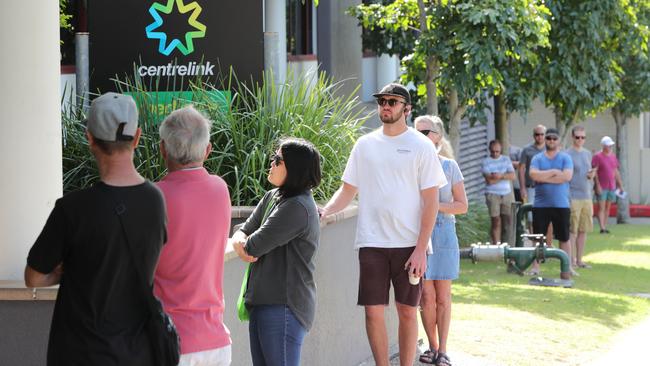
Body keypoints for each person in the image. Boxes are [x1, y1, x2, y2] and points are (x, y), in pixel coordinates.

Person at [24, 92, 167, 365]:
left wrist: (70, 270)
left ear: (89, 138)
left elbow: (34, 277)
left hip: (79, 353)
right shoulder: (155, 201)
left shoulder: (72, 208)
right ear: (137, 137)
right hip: (137, 353)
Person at [320, 83, 447, 366]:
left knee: (406, 311)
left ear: (407, 108)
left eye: (392, 101)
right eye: (381, 101)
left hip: (409, 246)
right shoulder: (364, 145)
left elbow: (431, 202)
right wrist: (324, 211)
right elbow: (347, 190)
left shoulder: (421, 146)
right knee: (373, 313)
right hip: (372, 243)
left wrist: (420, 248)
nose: (385, 106)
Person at [230, 138, 322, 366]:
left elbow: (252, 246)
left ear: (295, 169)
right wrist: (241, 242)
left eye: (278, 160)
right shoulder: (274, 197)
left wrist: (244, 244)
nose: (271, 163)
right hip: (265, 304)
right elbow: (240, 231)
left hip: (283, 308)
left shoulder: (297, 208)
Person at [154, 106, 232, 365]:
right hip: (216, 341)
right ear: (208, 150)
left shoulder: (154, 197)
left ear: (163, 149)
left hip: (168, 340)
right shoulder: (220, 190)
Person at [414, 116, 468, 366]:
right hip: (418, 235)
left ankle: (443, 350)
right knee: (425, 296)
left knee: (443, 296)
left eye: (426, 131)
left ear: (438, 136)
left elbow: (462, 205)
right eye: (416, 131)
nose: (421, 135)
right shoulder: (410, 165)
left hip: (444, 233)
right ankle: (433, 347)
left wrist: (435, 206)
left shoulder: (449, 167)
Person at [529, 128, 574, 279]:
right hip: (541, 205)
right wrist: (554, 172)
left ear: (558, 141)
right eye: (548, 138)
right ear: (545, 140)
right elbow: (533, 175)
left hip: (561, 204)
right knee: (538, 238)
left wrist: (544, 177)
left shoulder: (565, 158)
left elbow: (567, 176)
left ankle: (567, 267)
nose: (551, 141)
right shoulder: (538, 158)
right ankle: (536, 266)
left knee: (564, 237)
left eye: (554, 139)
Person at [567, 126, 595, 269]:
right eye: (577, 137)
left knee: (583, 229)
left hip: (587, 196)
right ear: (572, 137)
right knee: (573, 230)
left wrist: (592, 175)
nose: (580, 140)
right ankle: (571, 260)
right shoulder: (567, 154)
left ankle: (579, 260)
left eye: (583, 137)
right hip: (573, 196)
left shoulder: (587, 154)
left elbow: (588, 173)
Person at [482, 139, 516, 245]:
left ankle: (507, 243)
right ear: (489, 150)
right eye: (493, 151)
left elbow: (513, 176)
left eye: (497, 151)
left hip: (506, 194)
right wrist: (505, 175)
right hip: (492, 194)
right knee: (495, 220)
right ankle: (496, 244)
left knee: (508, 220)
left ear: (500, 150)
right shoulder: (486, 161)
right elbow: (489, 181)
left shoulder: (506, 160)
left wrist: (499, 175)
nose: (495, 153)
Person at [592, 136, 624, 234]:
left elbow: (615, 171)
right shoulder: (597, 156)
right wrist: (597, 185)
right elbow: (595, 172)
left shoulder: (613, 156)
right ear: (603, 146)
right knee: (601, 207)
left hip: (611, 186)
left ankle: (604, 226)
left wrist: (620, 185)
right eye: (608, 145)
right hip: (602, 186)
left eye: (611, 145)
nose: (610, 147)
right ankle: (602, 227)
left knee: (608, 207)